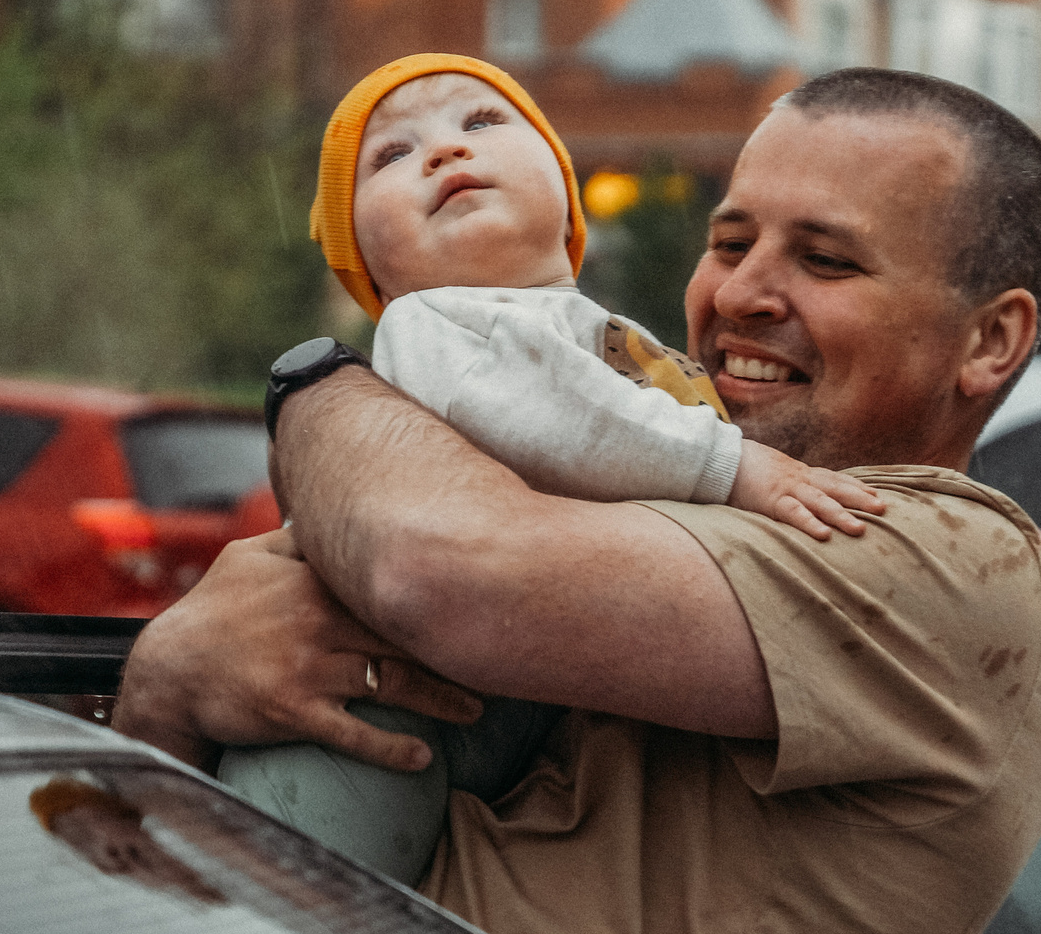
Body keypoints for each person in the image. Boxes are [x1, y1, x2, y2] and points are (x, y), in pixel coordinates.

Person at [115, 66, 1041, 934]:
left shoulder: (955, 566)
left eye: (825, 260)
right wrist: (170, 679)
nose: (740, 296)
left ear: (989, 341)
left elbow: (438, 569)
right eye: (728, 244)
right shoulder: (644, 465)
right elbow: (183, 872)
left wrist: (317, 385)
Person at [217, 53, 885, 883]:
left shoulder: (587, 327)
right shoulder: (432, 322)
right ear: (369, 267)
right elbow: (567, 423)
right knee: (320, 896)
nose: (444, 152)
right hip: (365, 710)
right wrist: (734, 468)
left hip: (482, 685)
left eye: (482, 122)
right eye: (391, 155)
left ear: (567, 195)